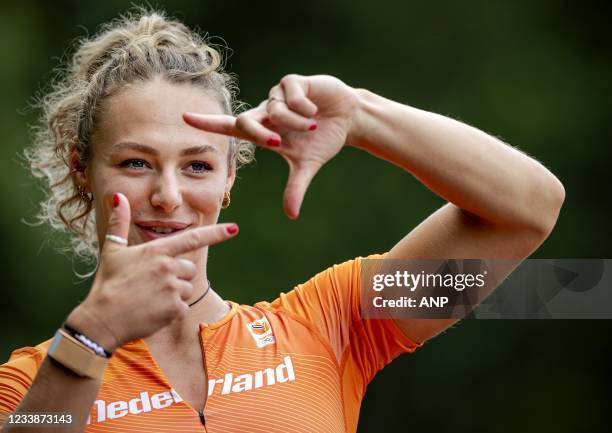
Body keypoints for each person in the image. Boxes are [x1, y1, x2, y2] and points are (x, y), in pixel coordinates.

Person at [0, 9, 564, 433]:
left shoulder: (334, 325)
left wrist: (363, 116)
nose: (168, 195)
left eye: (197, 164)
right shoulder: (27, 387)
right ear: (83, 174)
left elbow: (526, 210)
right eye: (135, 163)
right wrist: (91, 338)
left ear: (228, 180)